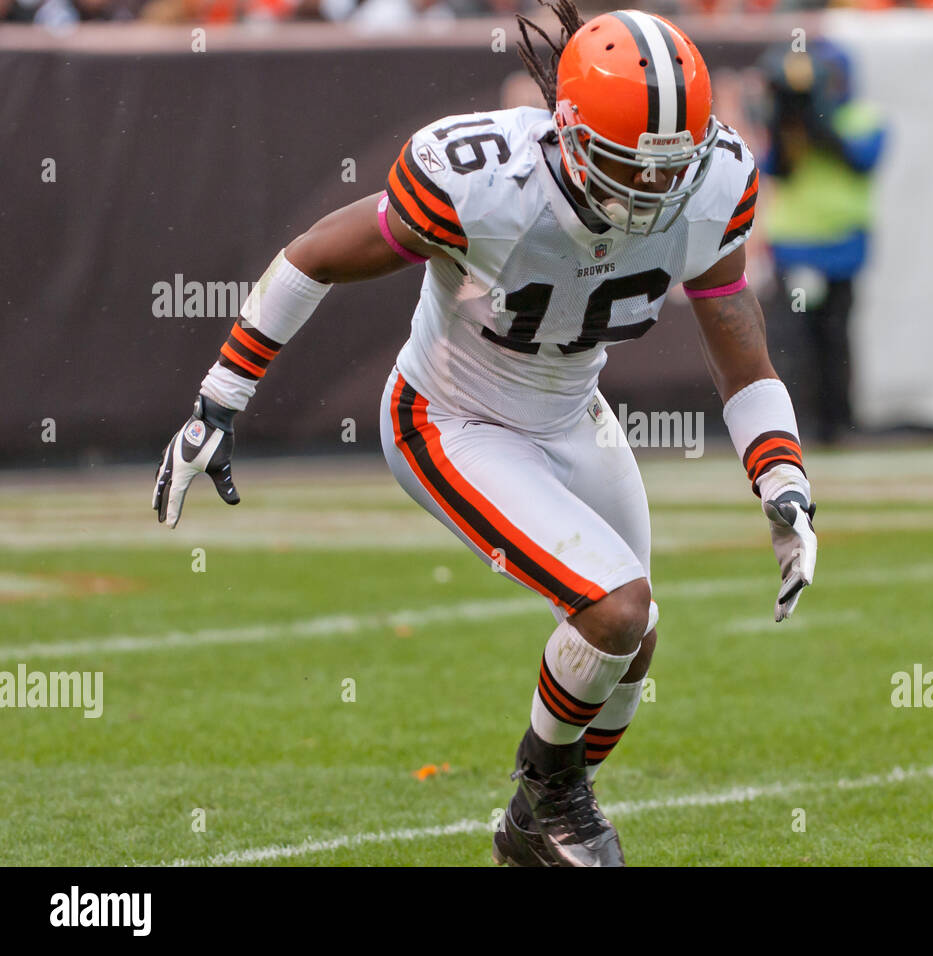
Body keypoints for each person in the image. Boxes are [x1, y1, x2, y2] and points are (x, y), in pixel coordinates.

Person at [151, 0, 818, 868]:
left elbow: (740, 346)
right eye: (630, 166)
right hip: (450, 417)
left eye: (670, 169)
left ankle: (530, 827)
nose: (654, 190)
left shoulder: (715, 179)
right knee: (616, 609)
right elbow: (316, 253)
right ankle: (554, 803)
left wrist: (782, 484)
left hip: (573, 410)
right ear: (571, 136)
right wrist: (218, 399)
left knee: (631, 642)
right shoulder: (483, 179)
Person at [759, 38, 885, 444]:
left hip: (842, 248)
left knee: (836, 338)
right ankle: (797, 426)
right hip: (797, 245)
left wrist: (818, 117)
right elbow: (779, 167)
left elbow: (860, 158)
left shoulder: (864, 116)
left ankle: (838, 423)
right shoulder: (793, 120)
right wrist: (788, 116)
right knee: (794, 340)